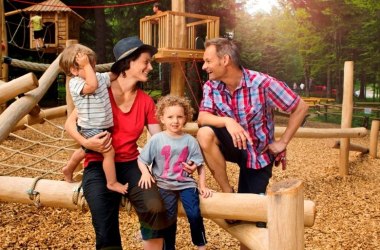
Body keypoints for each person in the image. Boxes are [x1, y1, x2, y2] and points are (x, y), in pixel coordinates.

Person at [65, 36, 195, 250]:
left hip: (131, 164)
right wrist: (87, 142)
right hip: (97, 164)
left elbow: (159, 140)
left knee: (155, 208)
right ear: (128, 63)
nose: (150, 67)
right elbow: (70, 124)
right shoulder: (98, 90)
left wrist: (181, 162)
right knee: (104, 223)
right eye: (146, 61)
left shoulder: (145, 100)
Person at [196, 38, 308, 249]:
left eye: (208, 61)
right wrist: (227, 121)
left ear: (225, 60)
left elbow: (300, 107)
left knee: (250, 217)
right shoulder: (212, 85)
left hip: (259, 153)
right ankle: (227, 192)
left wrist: (283, 142)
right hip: (233, 145)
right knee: (204, 134)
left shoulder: (263, 83)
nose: (204, 66)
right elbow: (202, 117)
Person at [138, 95, 212, 250]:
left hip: (186, 184)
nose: (175, 121)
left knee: (194, 213)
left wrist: (202, 185)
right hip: (164, 185)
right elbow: (142, 160)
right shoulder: (157, 139)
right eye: (170, 117)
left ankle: (201, 243)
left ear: (186, 118)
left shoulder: (190, 141)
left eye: (179, 116)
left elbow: (200, 165)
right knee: (169, 219)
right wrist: (145, 173)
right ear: (162, 119)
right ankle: (169, 247)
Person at [59, 44, 128, 194]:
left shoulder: (98, 77)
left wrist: (123, 66)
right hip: (90, 127)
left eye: (93, 65)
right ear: (74, 70)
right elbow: (92, 86)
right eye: (87, 66)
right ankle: (112, 183)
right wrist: (86, 66)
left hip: (101, 125)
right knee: (109, 152)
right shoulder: (75, 83)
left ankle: (68, 168)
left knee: (86, 150)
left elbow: (111, 75)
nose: (93, 68)